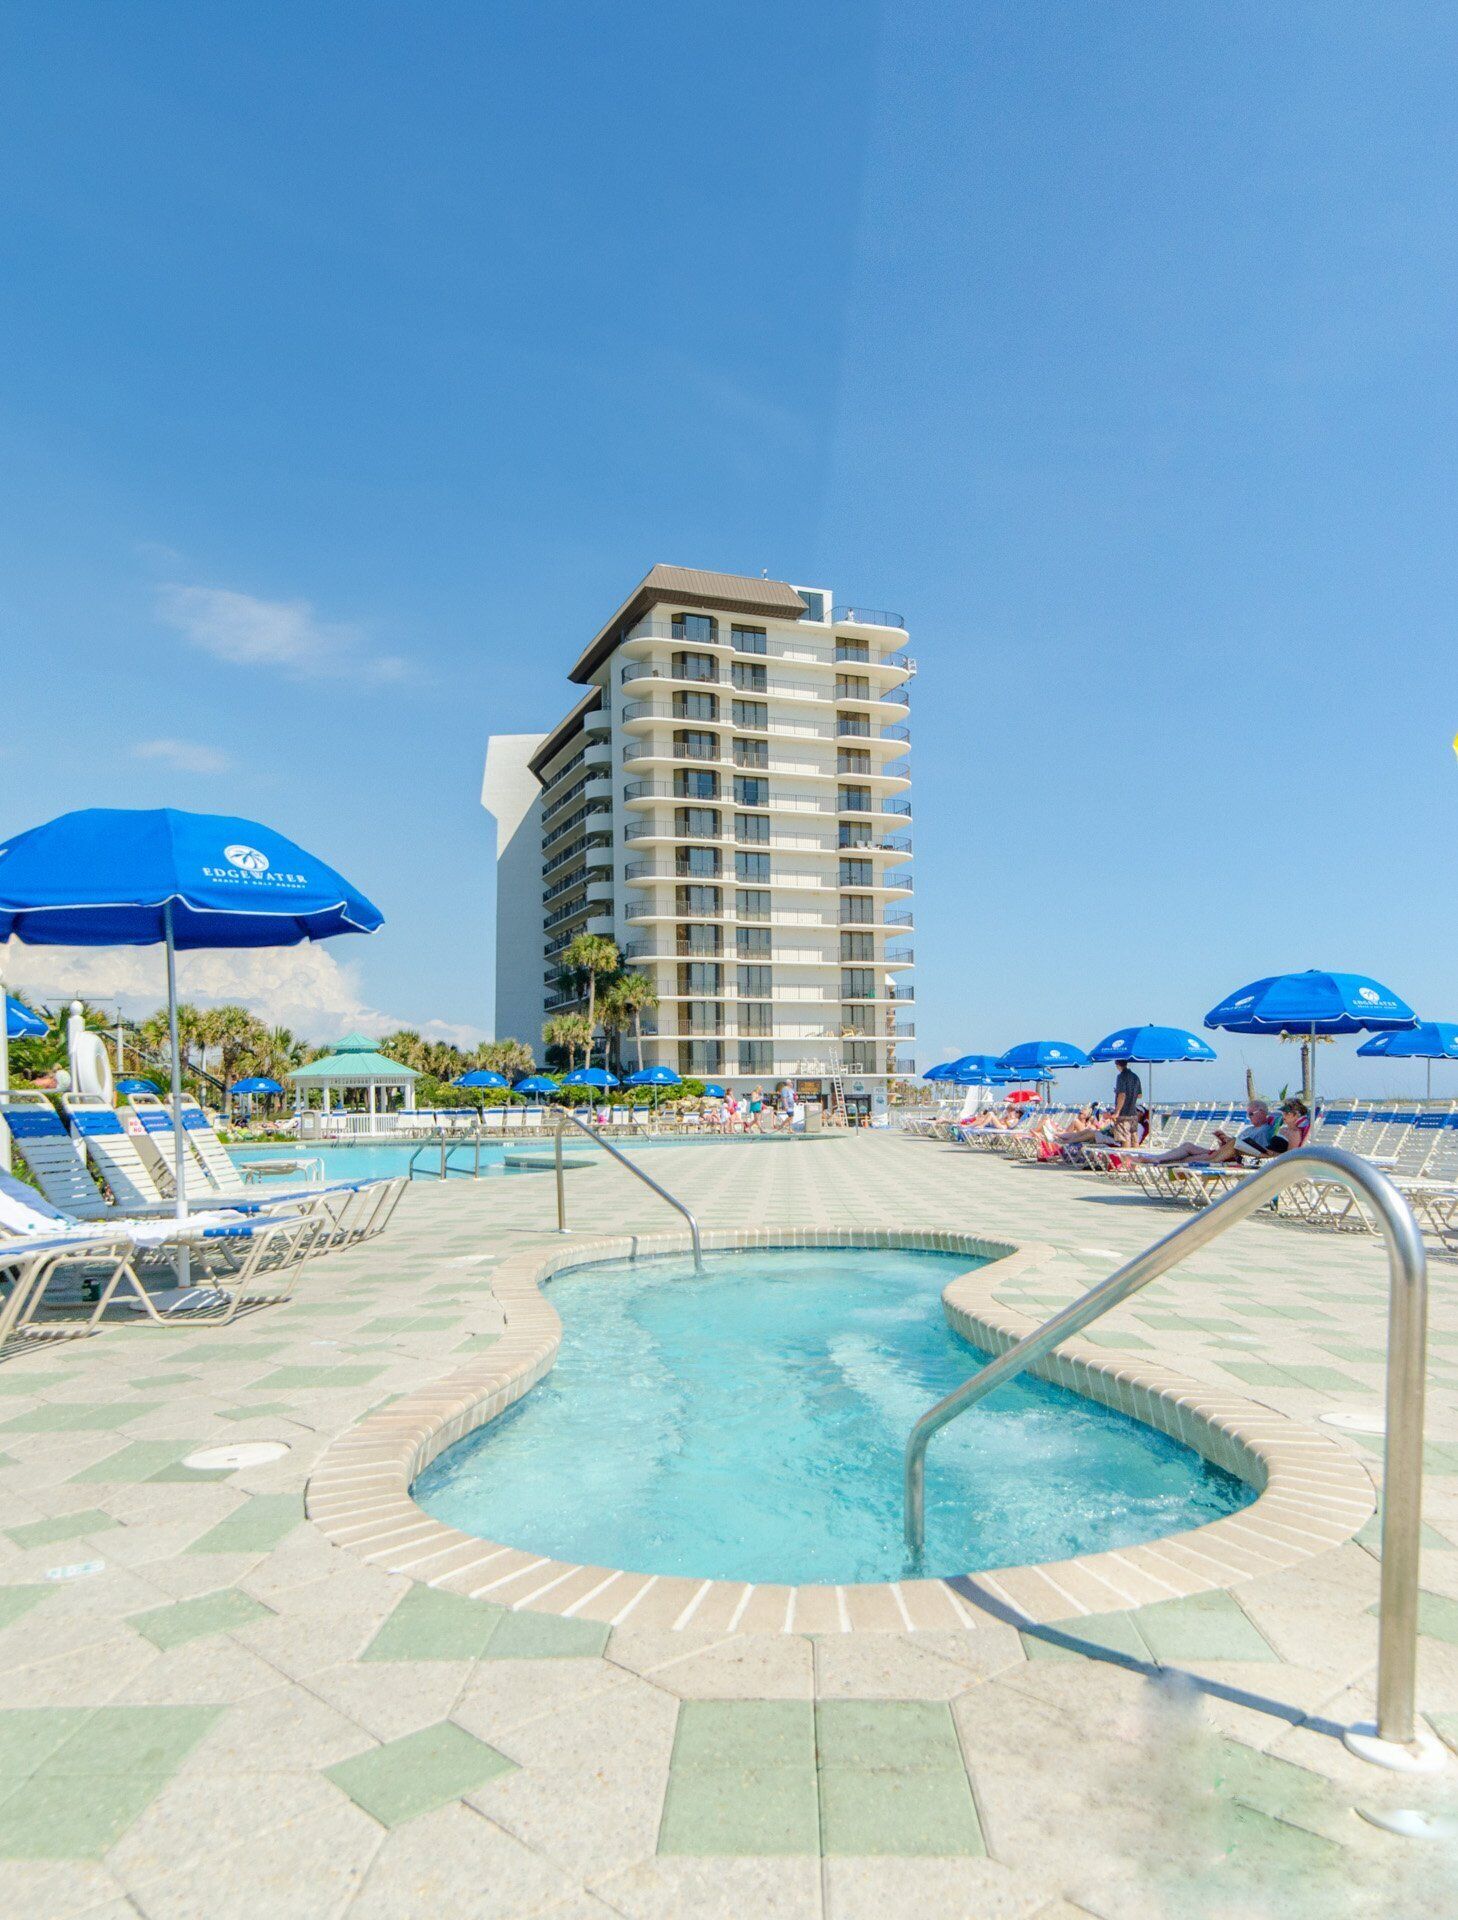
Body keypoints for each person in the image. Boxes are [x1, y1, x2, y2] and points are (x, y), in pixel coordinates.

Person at [1141, 1098, 1278, 1167]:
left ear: (1262, 1113)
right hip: (1223, 1151)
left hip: (1229, 1157)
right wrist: (1225, 1139)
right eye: (1248, 1114)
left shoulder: (1265, 1130)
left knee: (1188, 1158)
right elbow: (1240, 1143)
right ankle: (1159, 1158)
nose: (1249, 1117)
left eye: (1251, 1114)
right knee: (1188, 1146)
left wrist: (1230, 1143)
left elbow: (1255, 1151)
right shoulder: (1251, 1128)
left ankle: (1158, 1161)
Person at [1112, 1057, 1143, 1145]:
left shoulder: (1121, 1076)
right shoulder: (1135, 1076)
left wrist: (1117, 1112)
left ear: (1117, 1064)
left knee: (1125, 1139)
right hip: (1133, 1113)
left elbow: (1122, 1095)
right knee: (1134, 1138)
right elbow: (1139, 1095)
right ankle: (1135, 1158)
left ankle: (1126, 1159)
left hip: (1123, 1113)